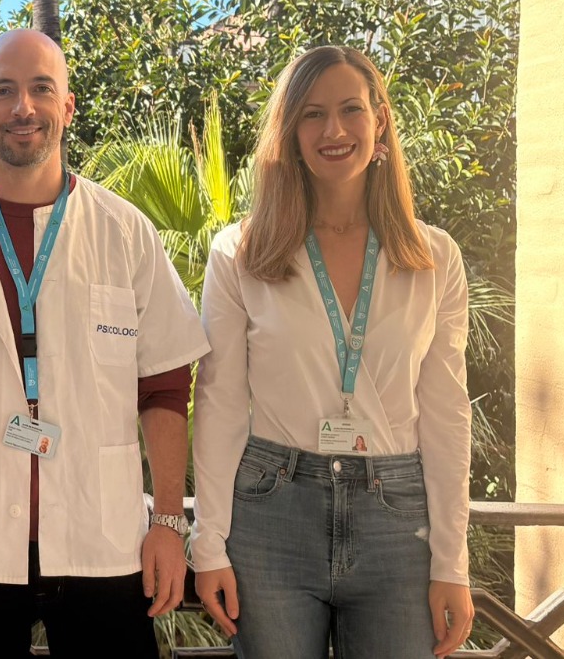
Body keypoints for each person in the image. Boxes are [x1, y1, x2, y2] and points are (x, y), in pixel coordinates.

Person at [0, 29, 209, 659]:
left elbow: (165, 387)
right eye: (3, 91)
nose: (23, 108)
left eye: (41, 89)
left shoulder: (124, 232)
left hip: (102, 534)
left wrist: (169, 521)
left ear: (67, 106)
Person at [191, 45, 474, 658]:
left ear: (380, 122)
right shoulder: (241, 254)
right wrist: (207, 543)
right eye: (312, 114)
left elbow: (448, 416)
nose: (334, 130)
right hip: (271, 517)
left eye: (351, 109)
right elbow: (219, 403)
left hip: (398, 522)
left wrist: (452, 561)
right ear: (290, 133)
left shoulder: (434, 259)